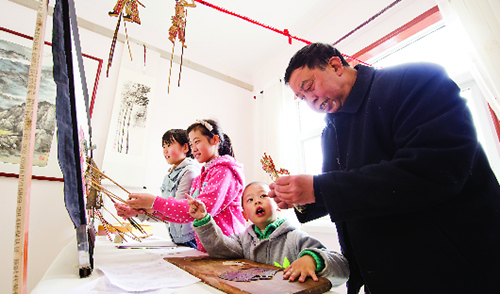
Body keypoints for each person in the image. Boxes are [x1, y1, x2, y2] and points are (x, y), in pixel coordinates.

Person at [269, 42, 500, 294]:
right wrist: (300, 198)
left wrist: (319, 189)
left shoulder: (414, 81)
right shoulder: (331, 130)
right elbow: (350, 192)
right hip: (386, 278)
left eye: (309, 87)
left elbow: (433, 171)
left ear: (335, 65)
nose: (310, 102)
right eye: (302, 98)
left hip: (454, 271)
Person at [187, 181, 349, 286]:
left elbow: (342, 267)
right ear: (244, 215)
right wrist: (203, 219)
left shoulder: (294, 237)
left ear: (278, 205)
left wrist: (311, 260)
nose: (257, 201)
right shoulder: (243, 240)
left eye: (263, 196)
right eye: (250, 200)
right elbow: (220, 248)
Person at [127, 119, 246, 252]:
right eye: (191, 143)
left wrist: (154, 202)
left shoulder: (223, 171)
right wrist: (146, 209)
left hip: (228, 246)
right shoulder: (202, 176)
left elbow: (200, 210)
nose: (193, 148)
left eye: (197, 141)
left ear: (214, 140)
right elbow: (185, 213)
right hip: (210, 248)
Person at [114, 129, 200, 248]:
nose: (165, 150)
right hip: (177, 240)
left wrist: (150, 204)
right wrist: (136, 212)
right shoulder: (170, 174)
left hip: (190, 240)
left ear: (185, 148)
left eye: (169, 145)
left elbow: (177, 211)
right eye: (163, 146)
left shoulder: (190, 172)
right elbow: (164, 213)